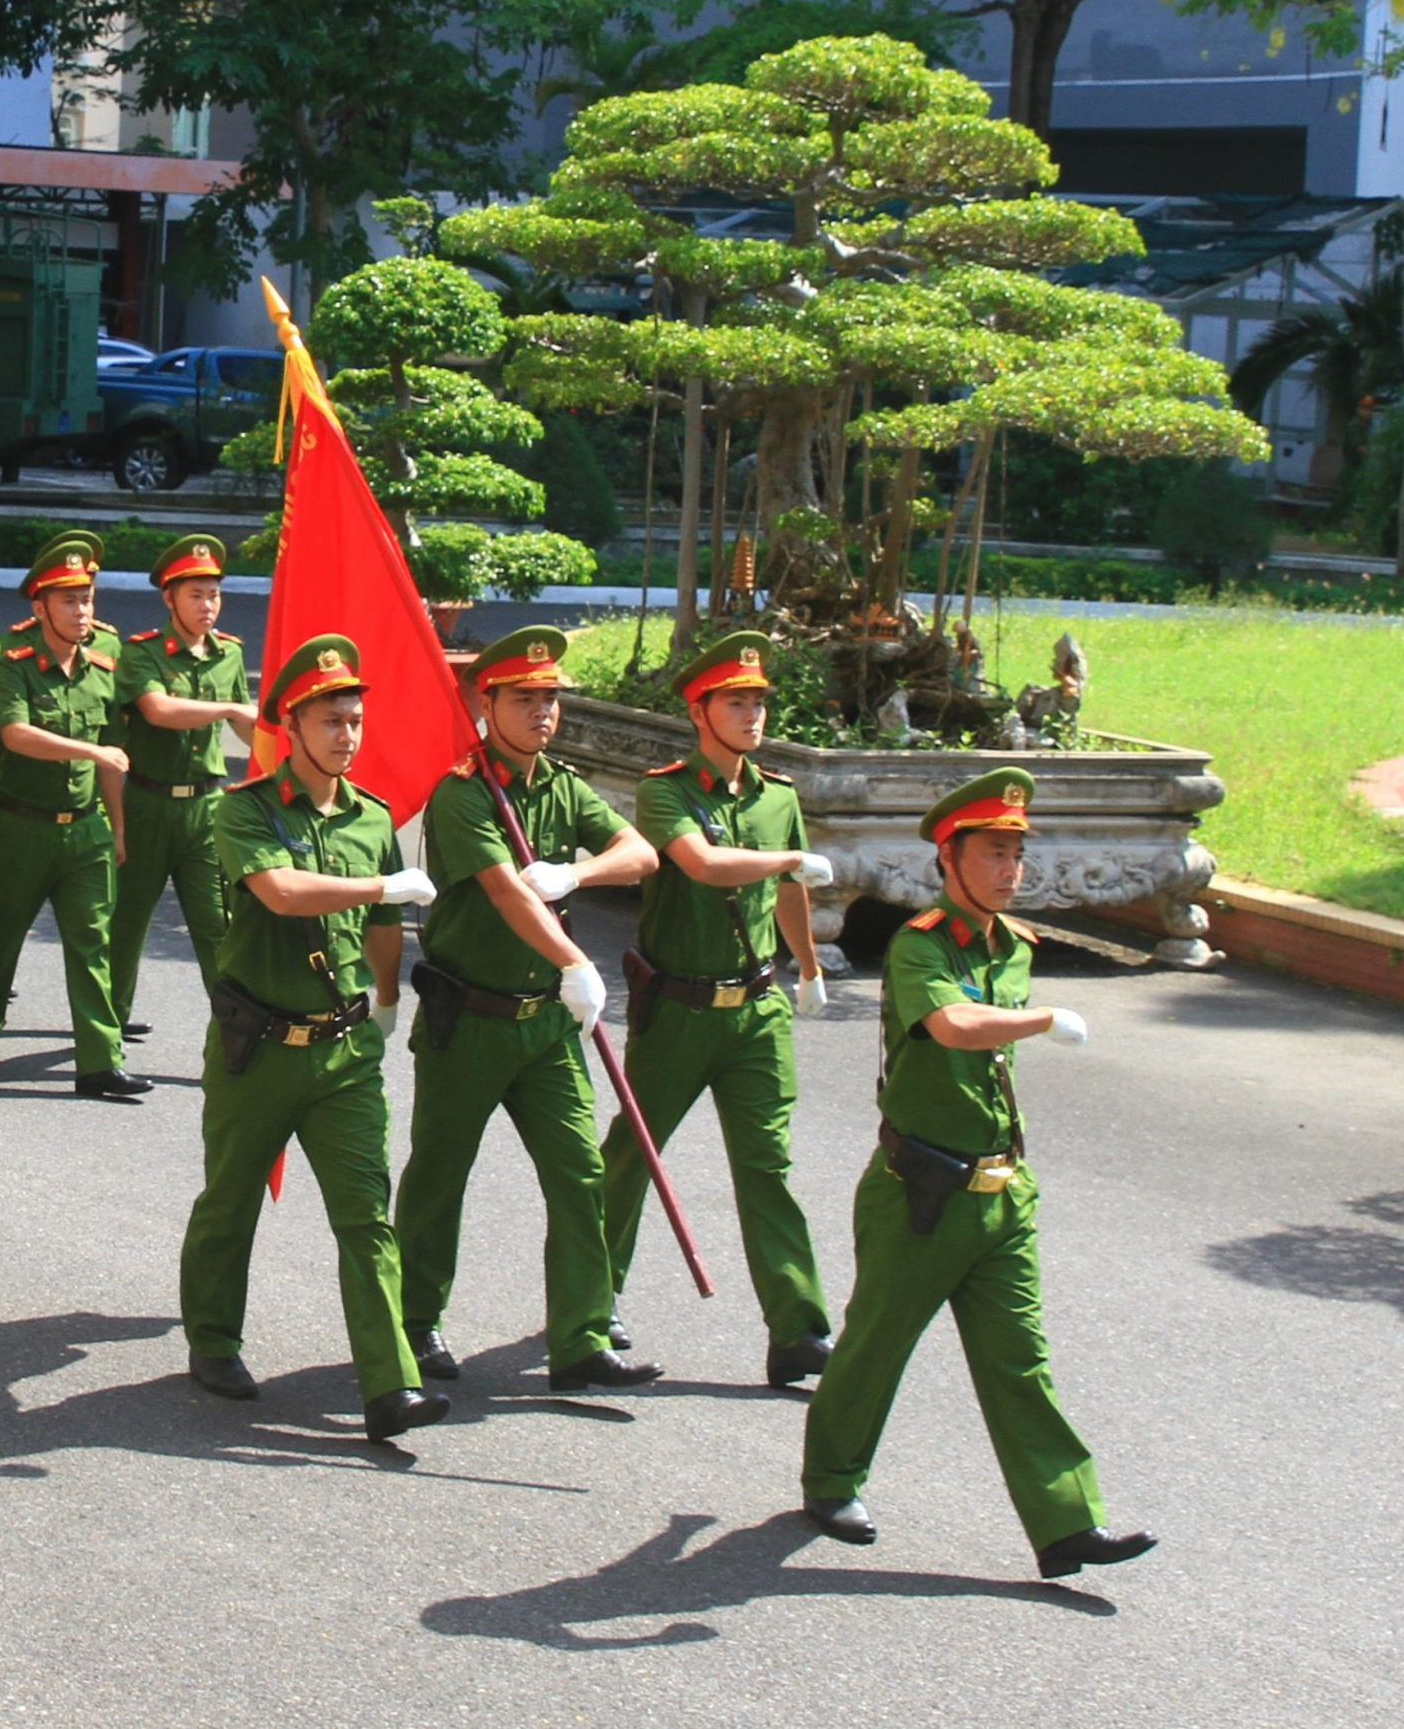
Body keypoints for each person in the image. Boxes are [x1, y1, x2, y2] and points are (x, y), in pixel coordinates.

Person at [799, 768, 1158, 1582]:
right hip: (919, 1191)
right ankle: (830, 1481)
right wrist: (1039, 1019)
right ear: (948, 859)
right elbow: (953, 1024)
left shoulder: (1015, 947)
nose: (1010, 869)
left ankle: (1067, 1520)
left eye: (1017, 854)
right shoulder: (918, 943)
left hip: (1001, 1192)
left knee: (1020, 1360)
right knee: (877, 1346)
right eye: (993, 853)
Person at [177, 634, 447, 1443]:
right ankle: (214, 1339)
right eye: (330, 720)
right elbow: (283, 891)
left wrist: (390, 999)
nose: (347, 735)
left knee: (367, 1214)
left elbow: (381, 925)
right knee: (230, 1200)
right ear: (290, 725)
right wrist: (381, 884)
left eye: (355, 720)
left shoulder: (370, 818)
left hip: (342, 1053)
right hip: (258, 1047)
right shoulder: (244, 808)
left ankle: (390, 1383)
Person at [394, 626, 663, 1394]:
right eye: (526, 698)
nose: (543, 711)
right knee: (441, 1176)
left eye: (551, 698)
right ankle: (414, 1321)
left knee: (579, 1173)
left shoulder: (562, 785)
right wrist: (576, 959)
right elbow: (504, 891)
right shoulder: (462, 792)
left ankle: (579, 1337)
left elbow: (638, 853)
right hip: (469, 1016)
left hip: (545, 1022)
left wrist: (576, 875)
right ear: (488, 702)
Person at [601, 629, 838, 1386]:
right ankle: (592, 1298)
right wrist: (787, 860)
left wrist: (805, 965)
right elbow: (702, 865)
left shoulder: (778, 797)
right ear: (700, 712)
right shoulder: (666, 789)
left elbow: (791, 893)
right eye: (736, 702)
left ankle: (798, 1327)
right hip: (679, 1009)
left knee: (767, 1167)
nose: (752, 714)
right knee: (633, 1152)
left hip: (756, 1013)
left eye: (759, 702)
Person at [0, 532, 144, 1096]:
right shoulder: (14, 663)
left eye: (87, 598)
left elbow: (114, 757)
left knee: (92, 941)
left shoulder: (104, 664)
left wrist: (118, 827)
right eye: (68, 600)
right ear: (39, 607)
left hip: (84, 826)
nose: (82, 611)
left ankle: (99, 1061)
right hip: (22, 824)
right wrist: (87, 751)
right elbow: (14, 734)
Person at [106, 533, 253, 1035]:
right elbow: (158, 711)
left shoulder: (230, 653)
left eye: (214, 594)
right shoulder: (142, 653)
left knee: (216, 924)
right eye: (195, 595)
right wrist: (232, 708)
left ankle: (236, 1023)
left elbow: (246, 726)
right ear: (169, 599)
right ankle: (108, 1025)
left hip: (205, 809)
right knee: (128, 923)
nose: (207, 605)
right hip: (147, 802)